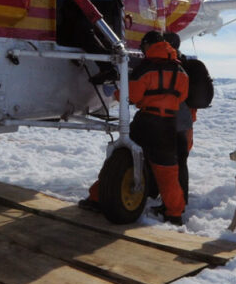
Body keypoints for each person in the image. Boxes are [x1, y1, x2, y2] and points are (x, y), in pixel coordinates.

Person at [80, 30, 189, 224]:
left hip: (146, 121)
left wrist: (115, 94)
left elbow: (134, 96)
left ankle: (97, 198)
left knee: (122, 156)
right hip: (168, 125)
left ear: (147, 46)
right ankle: (174, 213)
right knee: (167, 171)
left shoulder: (145, 68)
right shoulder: (180, 71)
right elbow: (182, 97)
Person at [163, 32, 197, 203]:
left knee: (166, 162)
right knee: (181, 161)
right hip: (186, 121)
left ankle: (173, 202)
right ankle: (180, 199)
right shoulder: (188, 64)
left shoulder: (166, 65)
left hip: (169, 120)